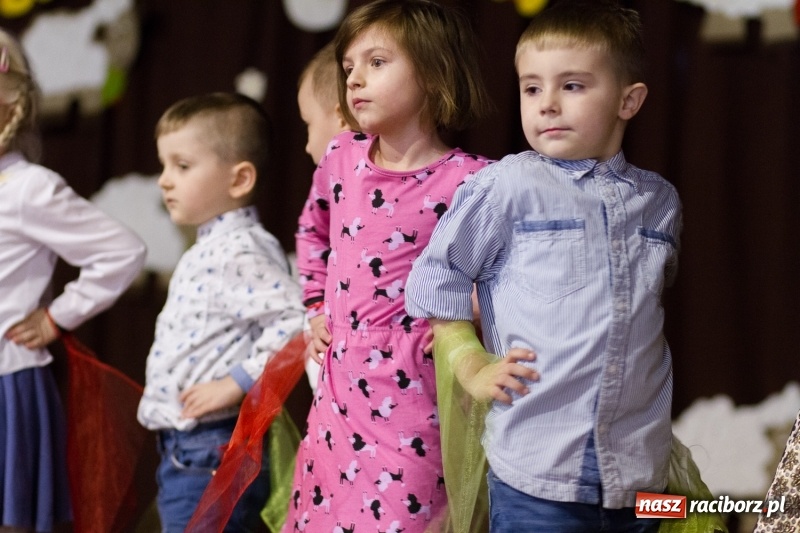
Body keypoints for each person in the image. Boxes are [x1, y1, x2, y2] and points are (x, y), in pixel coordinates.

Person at [405, 2, 680, 532]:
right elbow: (435, 281)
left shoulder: (660, 201)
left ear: (629, 100)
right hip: (537, 473)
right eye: (532, 88)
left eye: (572, 86)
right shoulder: (509, 186)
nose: (547, 104)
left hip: (638, 475)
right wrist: (471, 365)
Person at [283, 1, 491, 531]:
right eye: (349, 67)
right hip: (340, 392)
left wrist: (468, 312)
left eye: (377, 62)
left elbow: (508, 275)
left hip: (415, 395)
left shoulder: (473, 182)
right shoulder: (341, 158)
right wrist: (315, 307)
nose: (354, 79)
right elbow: (312, 233)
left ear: (433, 70)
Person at [136, 92, 305, 533]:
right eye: (164, 165)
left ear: (238, 179)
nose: (164, 181)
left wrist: (237, 381)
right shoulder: (213, 244)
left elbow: (296, 322)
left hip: (212, 447)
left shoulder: (241, 247)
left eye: (182, 166)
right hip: (190, 447)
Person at [0, 28, 147, 533]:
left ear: (8, 102)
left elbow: (122, 251)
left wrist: (55, 316)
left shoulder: (28, 189)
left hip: (6, 386)